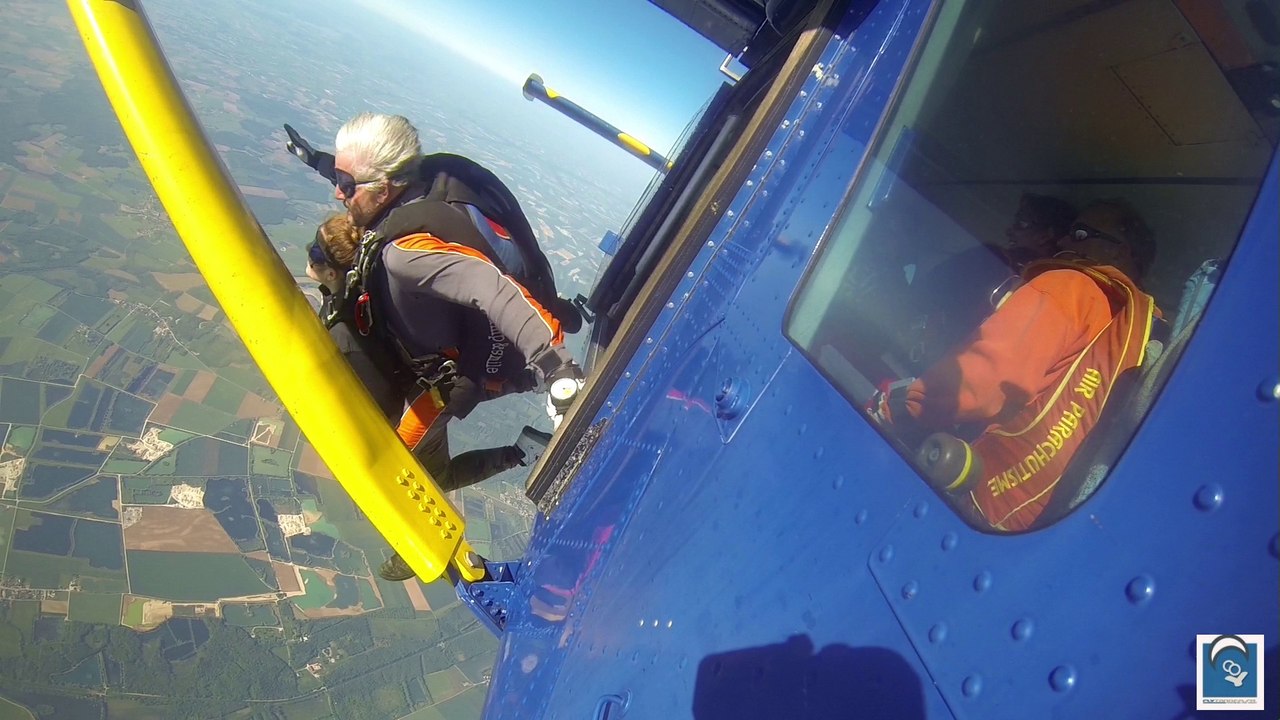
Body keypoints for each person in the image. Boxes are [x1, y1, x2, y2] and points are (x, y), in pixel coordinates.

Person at [292, 113, 585, 580]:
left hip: (452, 380)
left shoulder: (405, 253)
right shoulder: (425, 180)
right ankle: (523, 408)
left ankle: (431, 534)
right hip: (475, 349)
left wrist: (554, 366)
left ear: (385, 188)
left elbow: (488, 287)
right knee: (447, 430)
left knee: (404, 469)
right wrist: (319, 160)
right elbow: (369, 182)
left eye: (345, 183)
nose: (337, 192)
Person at [877, 199, 1159, 532]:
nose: (1065, 243)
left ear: (1119, 252)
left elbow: (978, 383)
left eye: (1080, 233)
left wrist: (896, 408)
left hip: (975, 506)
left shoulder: (1072, 286)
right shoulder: (1143, 332)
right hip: (1046, 521)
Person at [307, 214, 546, 488]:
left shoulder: (350, 312)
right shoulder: (367, 278)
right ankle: (531, 381)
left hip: (426, 393)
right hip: (431, 382)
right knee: (456, 392)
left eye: (314, 251)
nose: (309, 255)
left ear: (331, 271)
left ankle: (521, 446)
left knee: (411, 467)